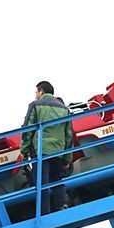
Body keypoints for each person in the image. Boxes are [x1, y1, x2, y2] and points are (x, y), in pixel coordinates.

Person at [20, 81, 73, 214]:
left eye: (36, 92)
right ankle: (62, 205)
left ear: (41, 91)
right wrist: (67, 158)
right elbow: (69, 135)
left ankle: (44, 213)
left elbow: (28, 130)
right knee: (56, 179)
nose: (36, 95)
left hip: (41, 150)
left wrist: (24, 151)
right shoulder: (64, 109)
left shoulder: (35, 105)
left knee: (41, 184)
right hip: (58, 151)